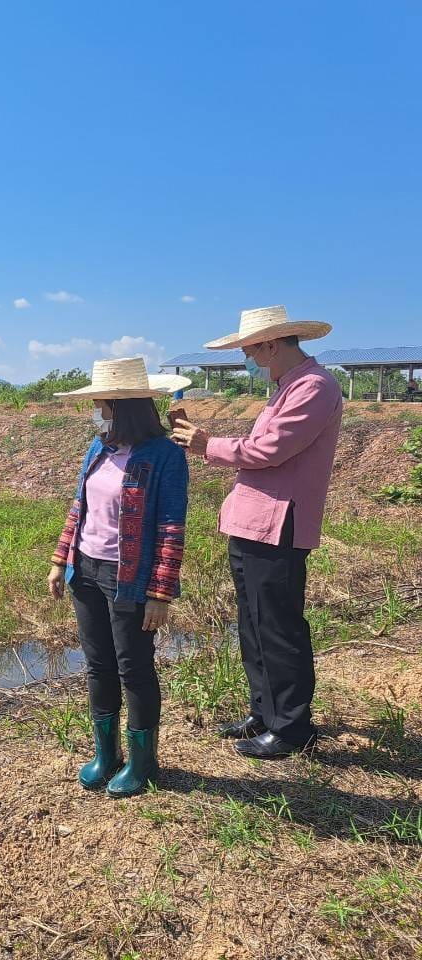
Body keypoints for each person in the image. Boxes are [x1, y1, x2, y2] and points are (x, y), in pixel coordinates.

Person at [171, 305, 342, 759]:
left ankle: (291, 728)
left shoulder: (314, 387)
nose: (247, 355)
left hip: (278, 524)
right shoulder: (285, 388)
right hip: (252, 521)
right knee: (253, 623)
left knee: (279, 625)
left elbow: (270, 449)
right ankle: (265, 713)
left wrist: (208, 444)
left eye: (249, 347)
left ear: (270, 344)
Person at [48, 357, 190, 798]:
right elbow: (79, 507)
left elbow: (171, 527)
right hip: (86, 570)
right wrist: (60, 560)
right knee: (99, 666)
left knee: (134, 668)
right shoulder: (100, 448)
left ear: (119, 405)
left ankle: (143, 762)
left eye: (99, 403)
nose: (94, 410)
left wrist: (160, 593)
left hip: (129, 579)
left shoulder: (165, 457)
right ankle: (106, 754)